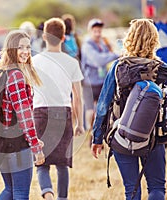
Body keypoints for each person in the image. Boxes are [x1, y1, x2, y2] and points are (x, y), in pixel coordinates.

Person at [91, 18, 166, 200]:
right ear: (154, 41)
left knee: (131, 190)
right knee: (156, 188)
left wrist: (97, 138)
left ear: (129, 38)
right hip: (154, 138)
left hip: (121, 138)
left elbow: (102, 105)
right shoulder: (163, 70)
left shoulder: (119, 67)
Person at [32, 17, 85, 200]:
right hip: (63, 113)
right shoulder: (71, 62)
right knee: (62, 165)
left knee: (41, 163)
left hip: (40, 112)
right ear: (64, 37)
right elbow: (78, 97)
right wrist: (79, 123)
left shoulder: (34, 61)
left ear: (44, 36)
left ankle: (47, 193)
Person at [0, 30, 45, 200]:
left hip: (2, 142)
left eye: (28, 47)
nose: (25, 51)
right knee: (21, 193)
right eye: (20, 47)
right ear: (11, 49)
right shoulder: (16, 75)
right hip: (16, 143)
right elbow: (24, 116)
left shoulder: (0, 71)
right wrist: (36, 148)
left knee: (9, 190)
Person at [81, 18, 118, 132]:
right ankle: (89, 132)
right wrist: (115, 55)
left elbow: (108, 54)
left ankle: (97, 130)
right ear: (90, 31)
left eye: (99, 31)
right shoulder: (87, 45)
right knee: (90, 110)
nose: (97, 33)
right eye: (95, 31)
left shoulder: (103, 43)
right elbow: (98, 60)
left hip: (102, 80)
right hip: (89, 83)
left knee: (102, 108)